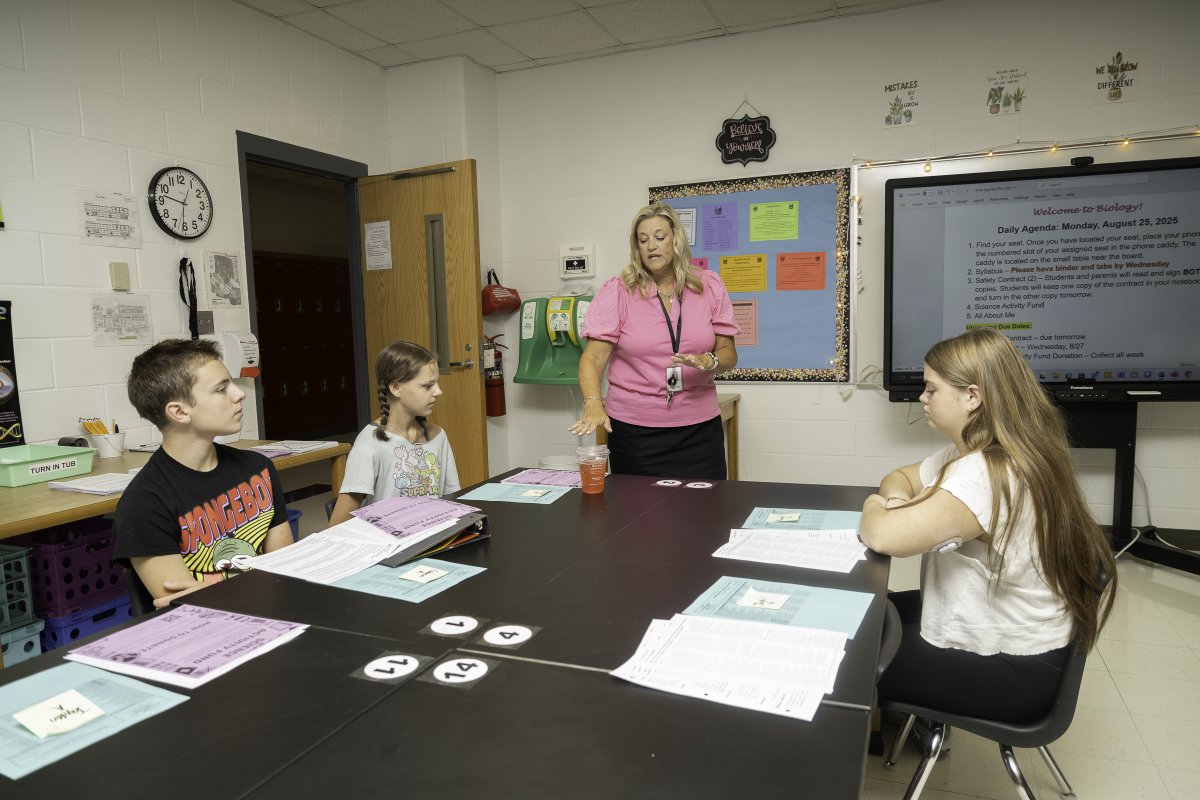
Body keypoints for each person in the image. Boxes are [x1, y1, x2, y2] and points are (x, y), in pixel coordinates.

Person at [860, 328, 1116, 722]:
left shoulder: (985, 473)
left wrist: (875, 505)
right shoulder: (986, 451)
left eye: (931, 389)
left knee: (848, 655)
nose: (922, 399)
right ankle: (912, 728)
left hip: (1015, 670)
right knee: (869, 610)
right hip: (1030, 644)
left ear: (972, 397)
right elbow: (901, 476)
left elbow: (880, 534)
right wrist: (895, 502)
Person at [113, 338, 293, 609]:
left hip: (275, 611)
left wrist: (212, 590)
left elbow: (287, 568)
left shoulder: (258, 468)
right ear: (179, 412)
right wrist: (257, 584)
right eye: (222, 389)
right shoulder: (144, 504)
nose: (239, 394)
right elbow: (187, 607)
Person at [568, 203, 739, 479]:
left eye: (660, 237)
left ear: (676, 240)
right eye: (643, 239)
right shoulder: (620, 290)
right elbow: (592, 359)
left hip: (699, 432)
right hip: (636, 435)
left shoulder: (709, 285)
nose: (651, 246)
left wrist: (711, 361)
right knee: (640, 518)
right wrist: (592, 402)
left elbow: (728, 353)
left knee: (705, 515)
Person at [329, 341, 460, 525]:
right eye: (428, 385)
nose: (438, 391)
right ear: (396, 388)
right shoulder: (369, 444)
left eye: (437, 383)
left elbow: (452, 500)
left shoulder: (438, 436)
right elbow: (336, 526)